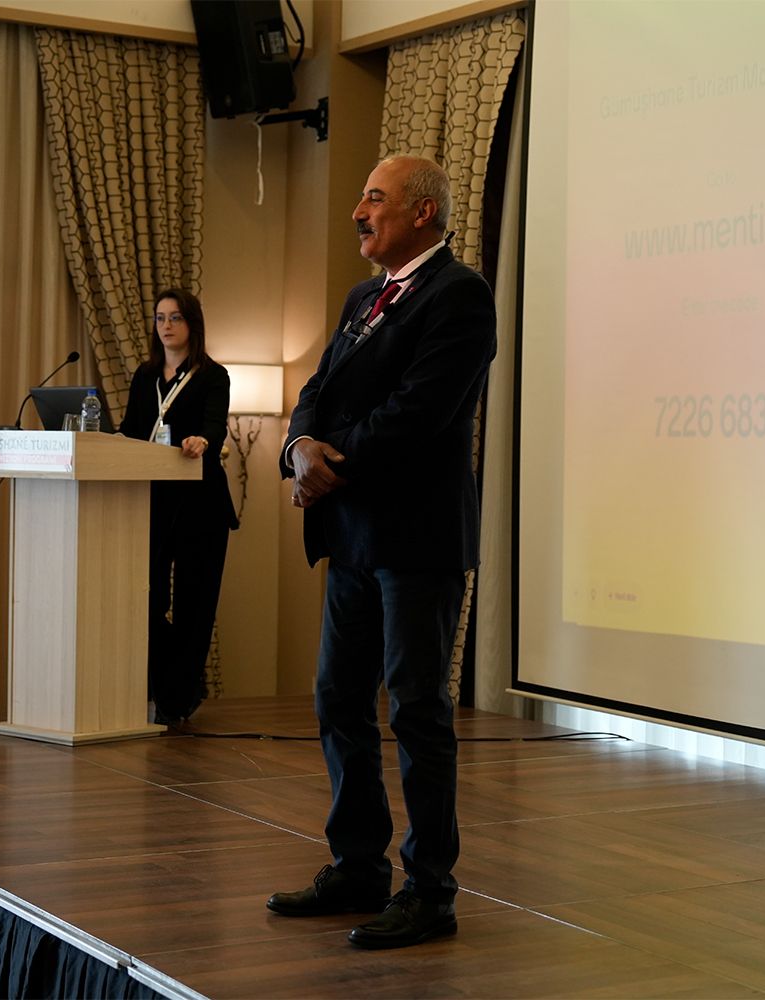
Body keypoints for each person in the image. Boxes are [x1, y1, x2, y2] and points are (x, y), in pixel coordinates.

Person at [266, 155, 496, 949]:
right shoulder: (363, 298)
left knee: (417, 711)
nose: (359, 213)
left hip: (417, 538)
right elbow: (316, 390)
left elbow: (419, 413)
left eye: (374, 198)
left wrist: (332, 466)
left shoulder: (460, 294)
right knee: (338, 700)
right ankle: (358, 866)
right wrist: (299, 447)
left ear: (423, 212)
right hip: (354, 536)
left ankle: (430, 890)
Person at [118, 288, 238, 724]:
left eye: (175, 318)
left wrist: (202, 440)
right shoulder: (146, 375)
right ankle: (172, 682)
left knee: (194, 604)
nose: (166, 326)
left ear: (192, 324)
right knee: (145, 599)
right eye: (160, 318)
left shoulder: (212, 376)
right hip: (151, 502)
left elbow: (214, 426)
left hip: (200, 504)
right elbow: (131, 430)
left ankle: (177, 700)